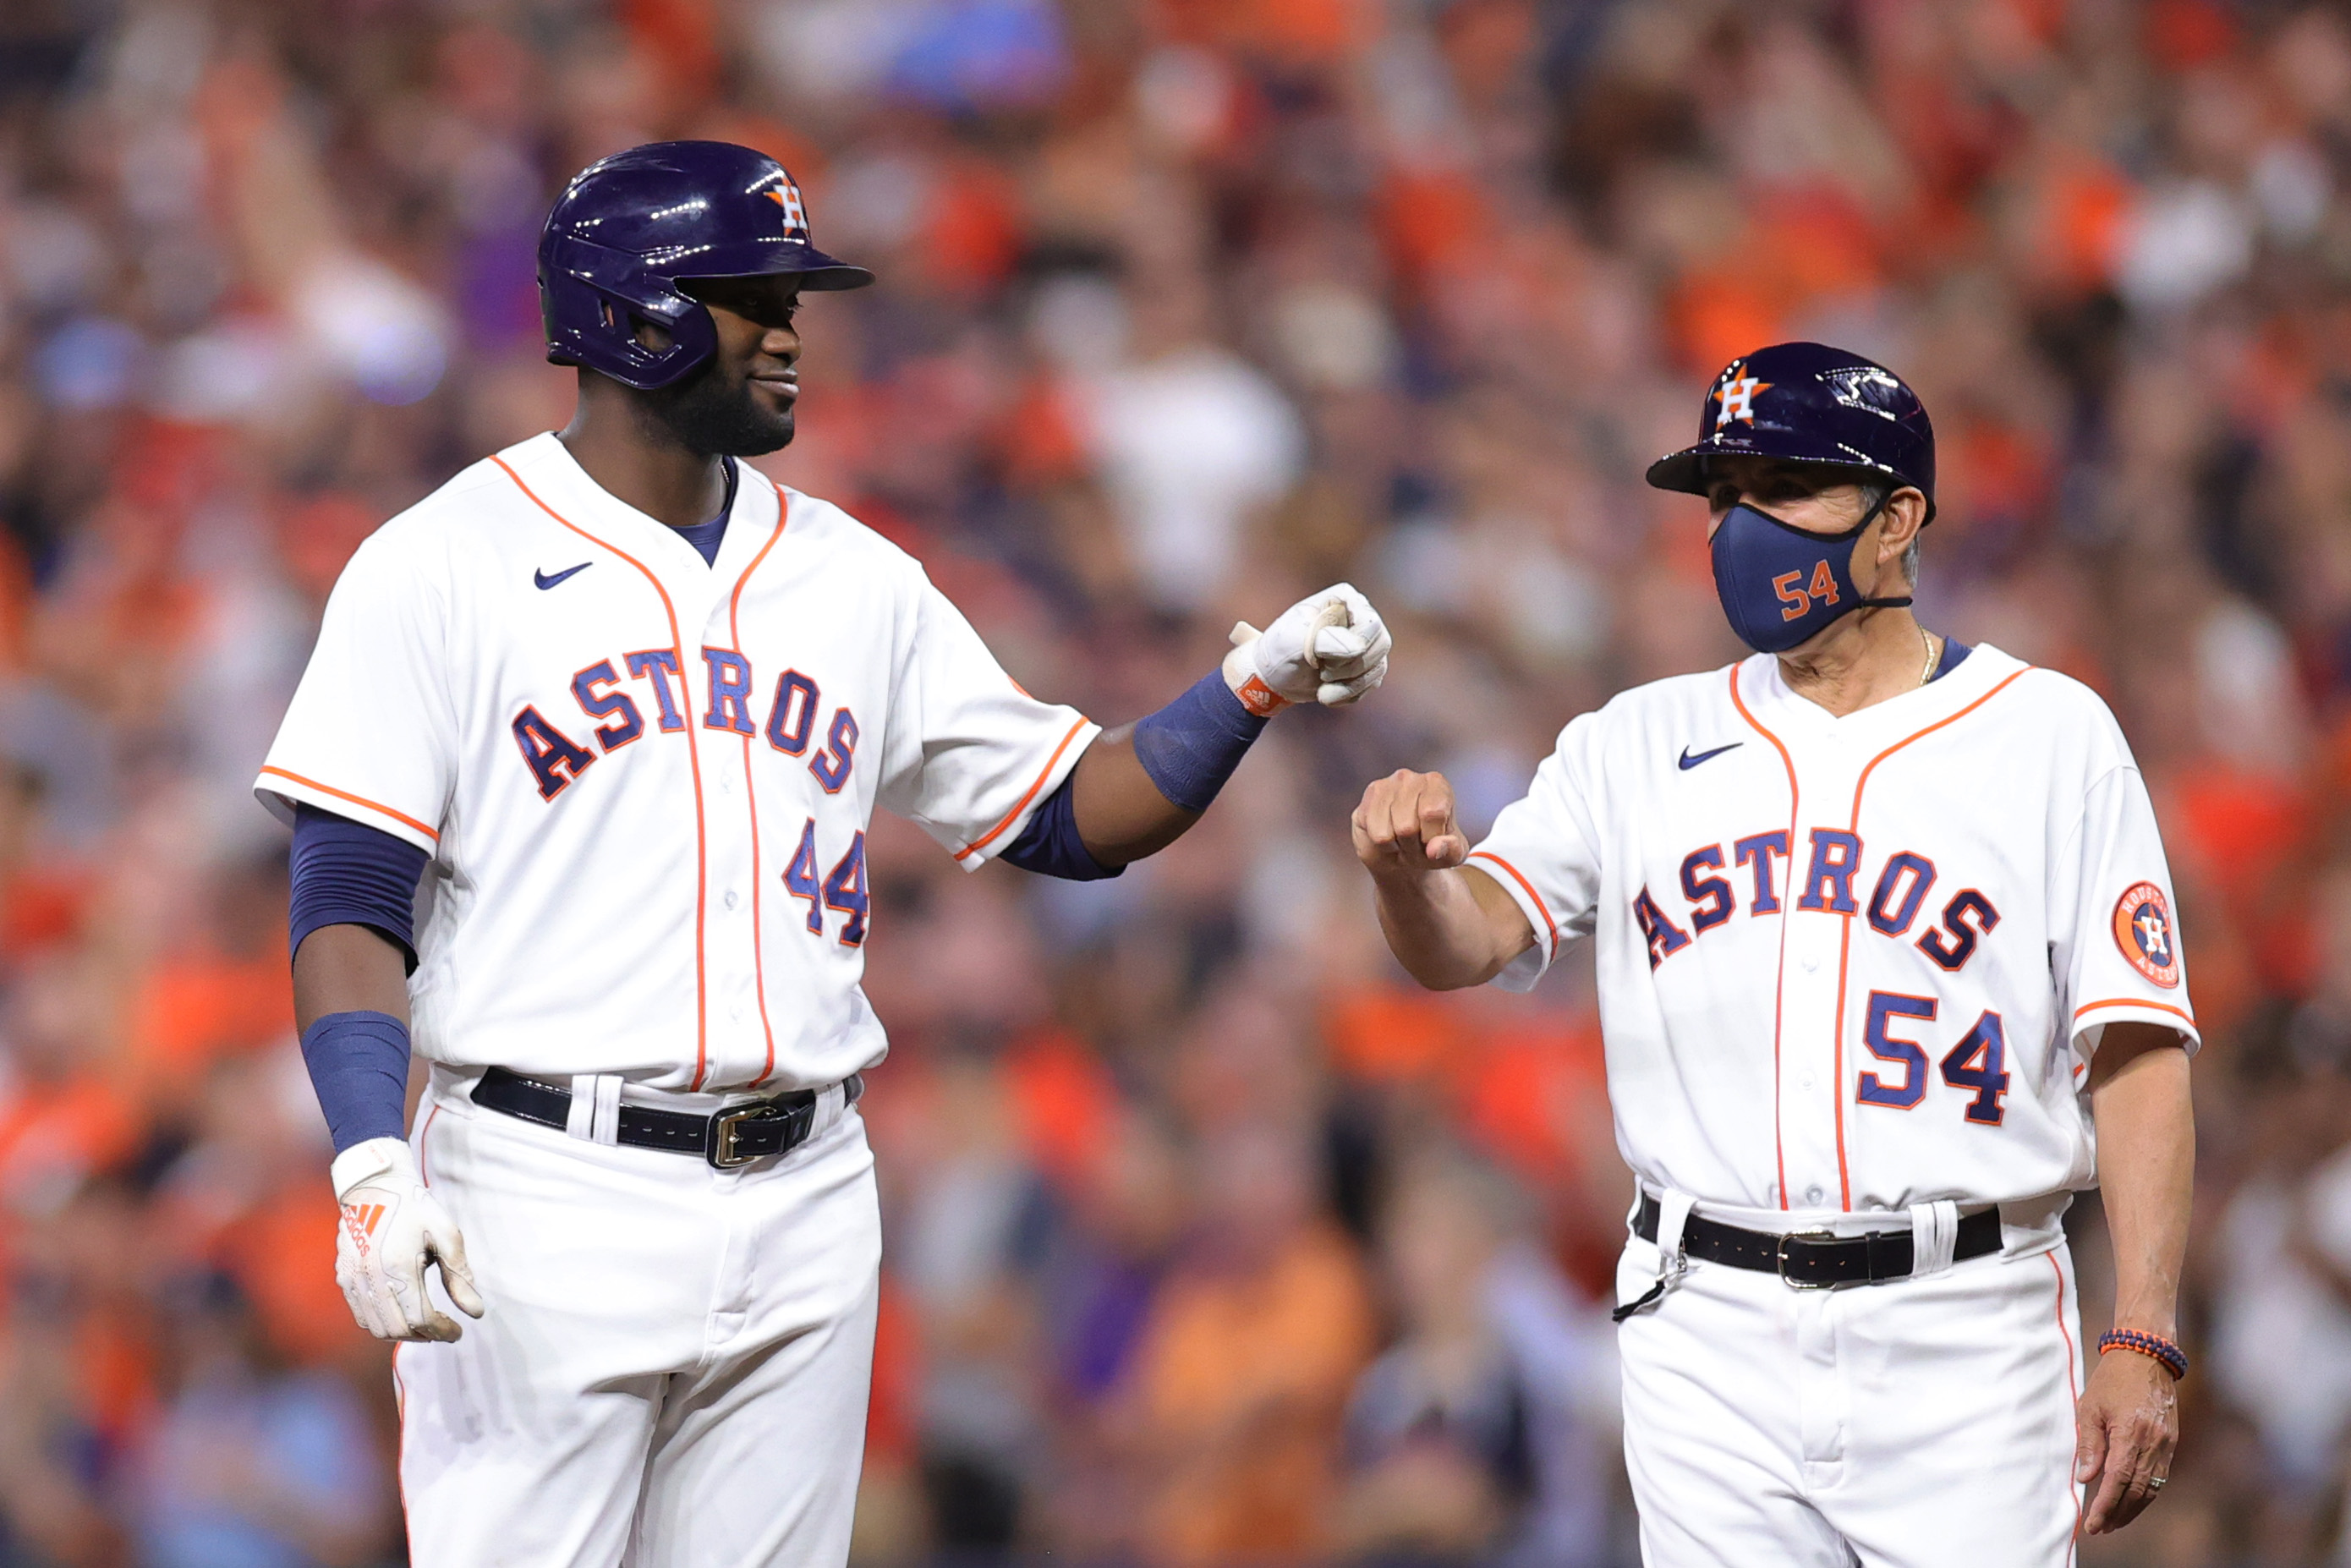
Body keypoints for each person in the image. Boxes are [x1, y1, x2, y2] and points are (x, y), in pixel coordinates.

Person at [256, 140, 1389, 1566]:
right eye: (754, 296)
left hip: (804, 1192)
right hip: (541, 1192)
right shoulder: (443, 561)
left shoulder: (854, 575)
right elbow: (349, 895)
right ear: (632, 310)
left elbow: (1065, 814)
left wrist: (1252, 685)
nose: (792, 331)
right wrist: (370, 1161)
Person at [1348, 342, 2195, 1565]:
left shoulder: (2049, 735)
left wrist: (2143, 1332)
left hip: (1966, 1321)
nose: (1743, 523)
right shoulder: (1636, 740)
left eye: (1783, 485)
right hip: (1708, 1323)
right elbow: (1468, 937)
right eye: (1722, 493)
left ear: (1899, 518)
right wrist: (1405, 878)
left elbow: (2137, 1046)